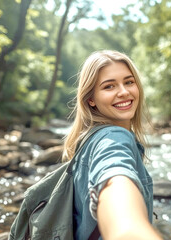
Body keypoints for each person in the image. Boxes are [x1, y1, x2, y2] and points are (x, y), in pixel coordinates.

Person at [63, 50, 162, 240]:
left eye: (129, 82)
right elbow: (115, 180)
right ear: (90, 99)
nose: (124, 92)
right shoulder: (113, 138)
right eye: (109, 86)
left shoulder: (89, 138)